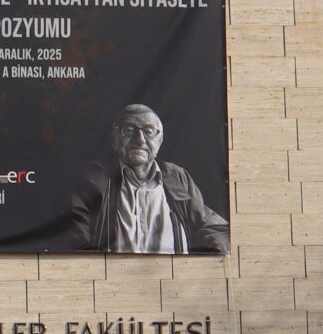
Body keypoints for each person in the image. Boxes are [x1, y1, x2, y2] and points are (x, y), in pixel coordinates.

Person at [63, 102, 230, 253]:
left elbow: (215, 227)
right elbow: (74, 237)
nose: (140, 139)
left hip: (171, 278)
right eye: (129, 130)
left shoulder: (177, 178)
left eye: (149, 131)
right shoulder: (94, 179)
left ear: (159, 141)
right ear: (114, 139)